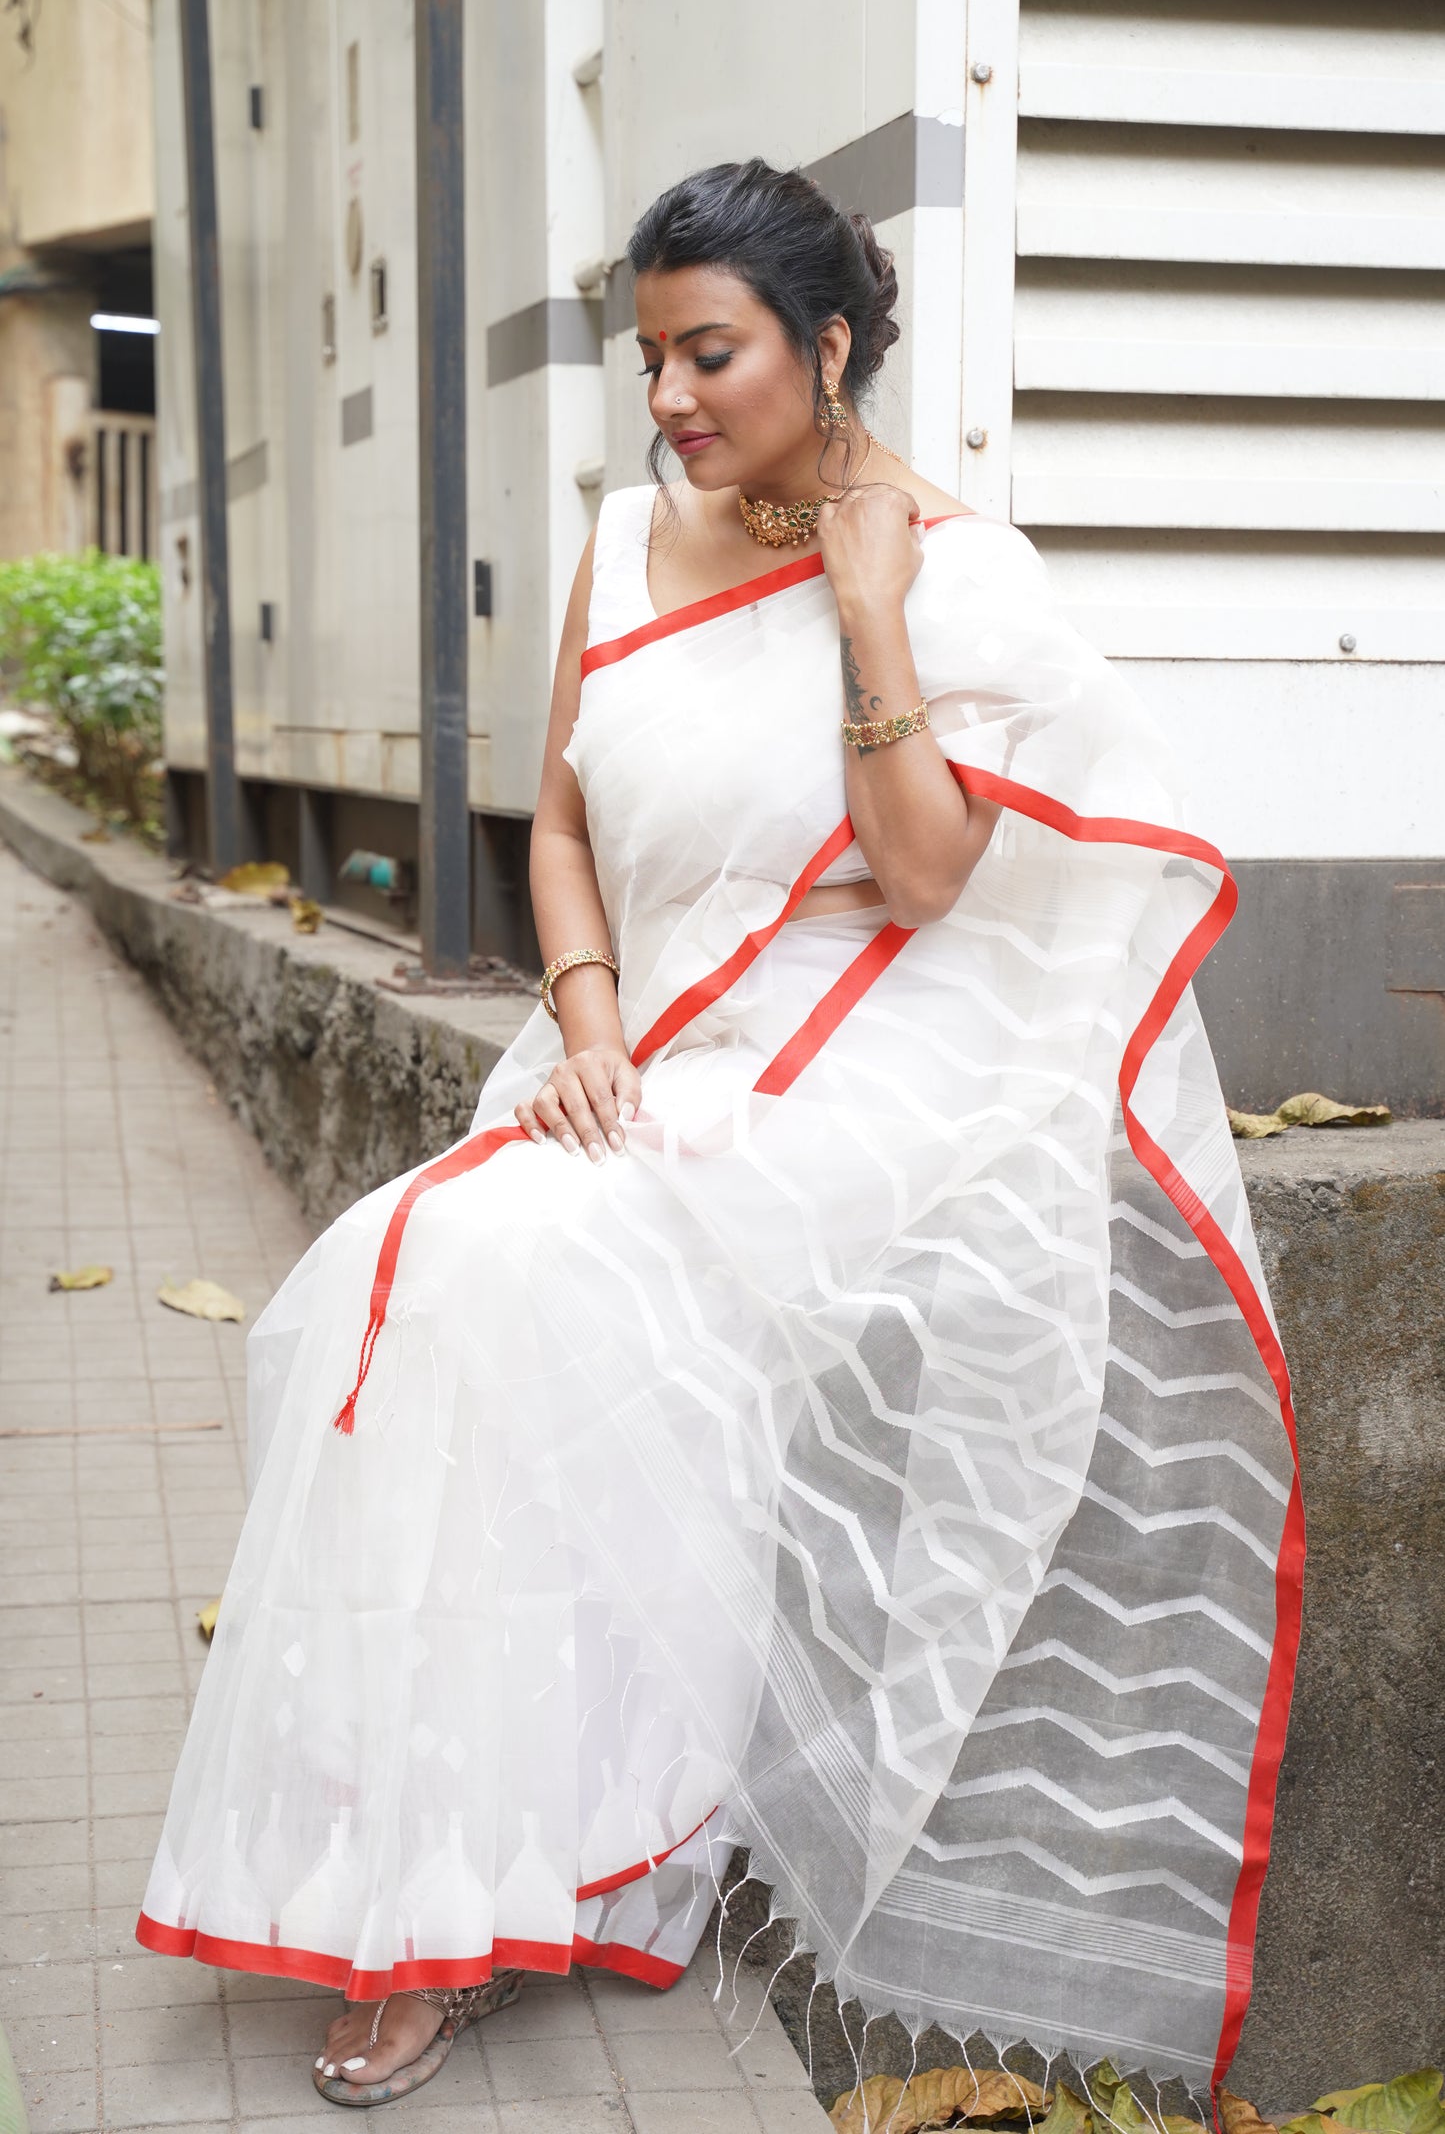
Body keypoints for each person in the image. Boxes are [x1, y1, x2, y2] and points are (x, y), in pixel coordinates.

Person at [135, 159, 1301, 2111]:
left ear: (826, 343)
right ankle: (431, 1870)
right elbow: (563, 828)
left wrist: (866, 607)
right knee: (369, 1297)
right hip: (621, 1059)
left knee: (496, 1290)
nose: (670, 397)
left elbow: (932, 881)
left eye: (711, 351)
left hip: (851, 1090)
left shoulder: (960, 569)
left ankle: (495, 1888)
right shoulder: (620, 543)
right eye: (649, 354)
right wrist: (582, 1010)